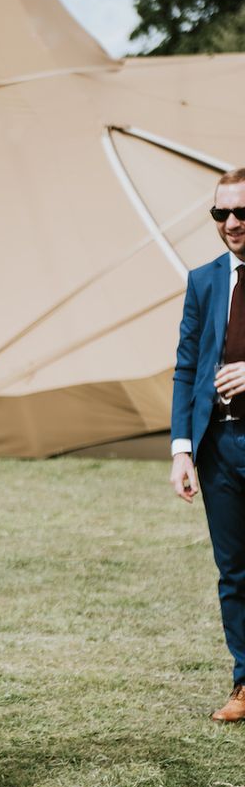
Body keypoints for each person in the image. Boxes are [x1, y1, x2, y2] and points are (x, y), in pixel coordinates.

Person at [171, 167, 245, 722]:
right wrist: (181, 449)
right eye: (221, 214)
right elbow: (187, 367)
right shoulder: (203, 280)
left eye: (242, 212)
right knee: (234, 571)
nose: (232, 223)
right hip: (218, 447)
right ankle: (244, 683)